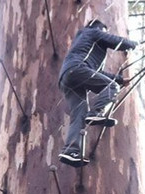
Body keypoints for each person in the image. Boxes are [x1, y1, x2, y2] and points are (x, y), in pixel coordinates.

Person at [57, 18, 138, 167]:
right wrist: (133, 44)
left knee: (79, 114)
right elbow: (115, 41)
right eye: (104, 32)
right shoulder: (92, 32)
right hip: (78, 69)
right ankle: (97, 112)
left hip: (67, 78)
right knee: (112, 87)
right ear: (99, 29)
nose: (105, 34)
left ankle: (71, 150)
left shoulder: (85, 45)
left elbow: (96, 73)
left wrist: (120, 79)